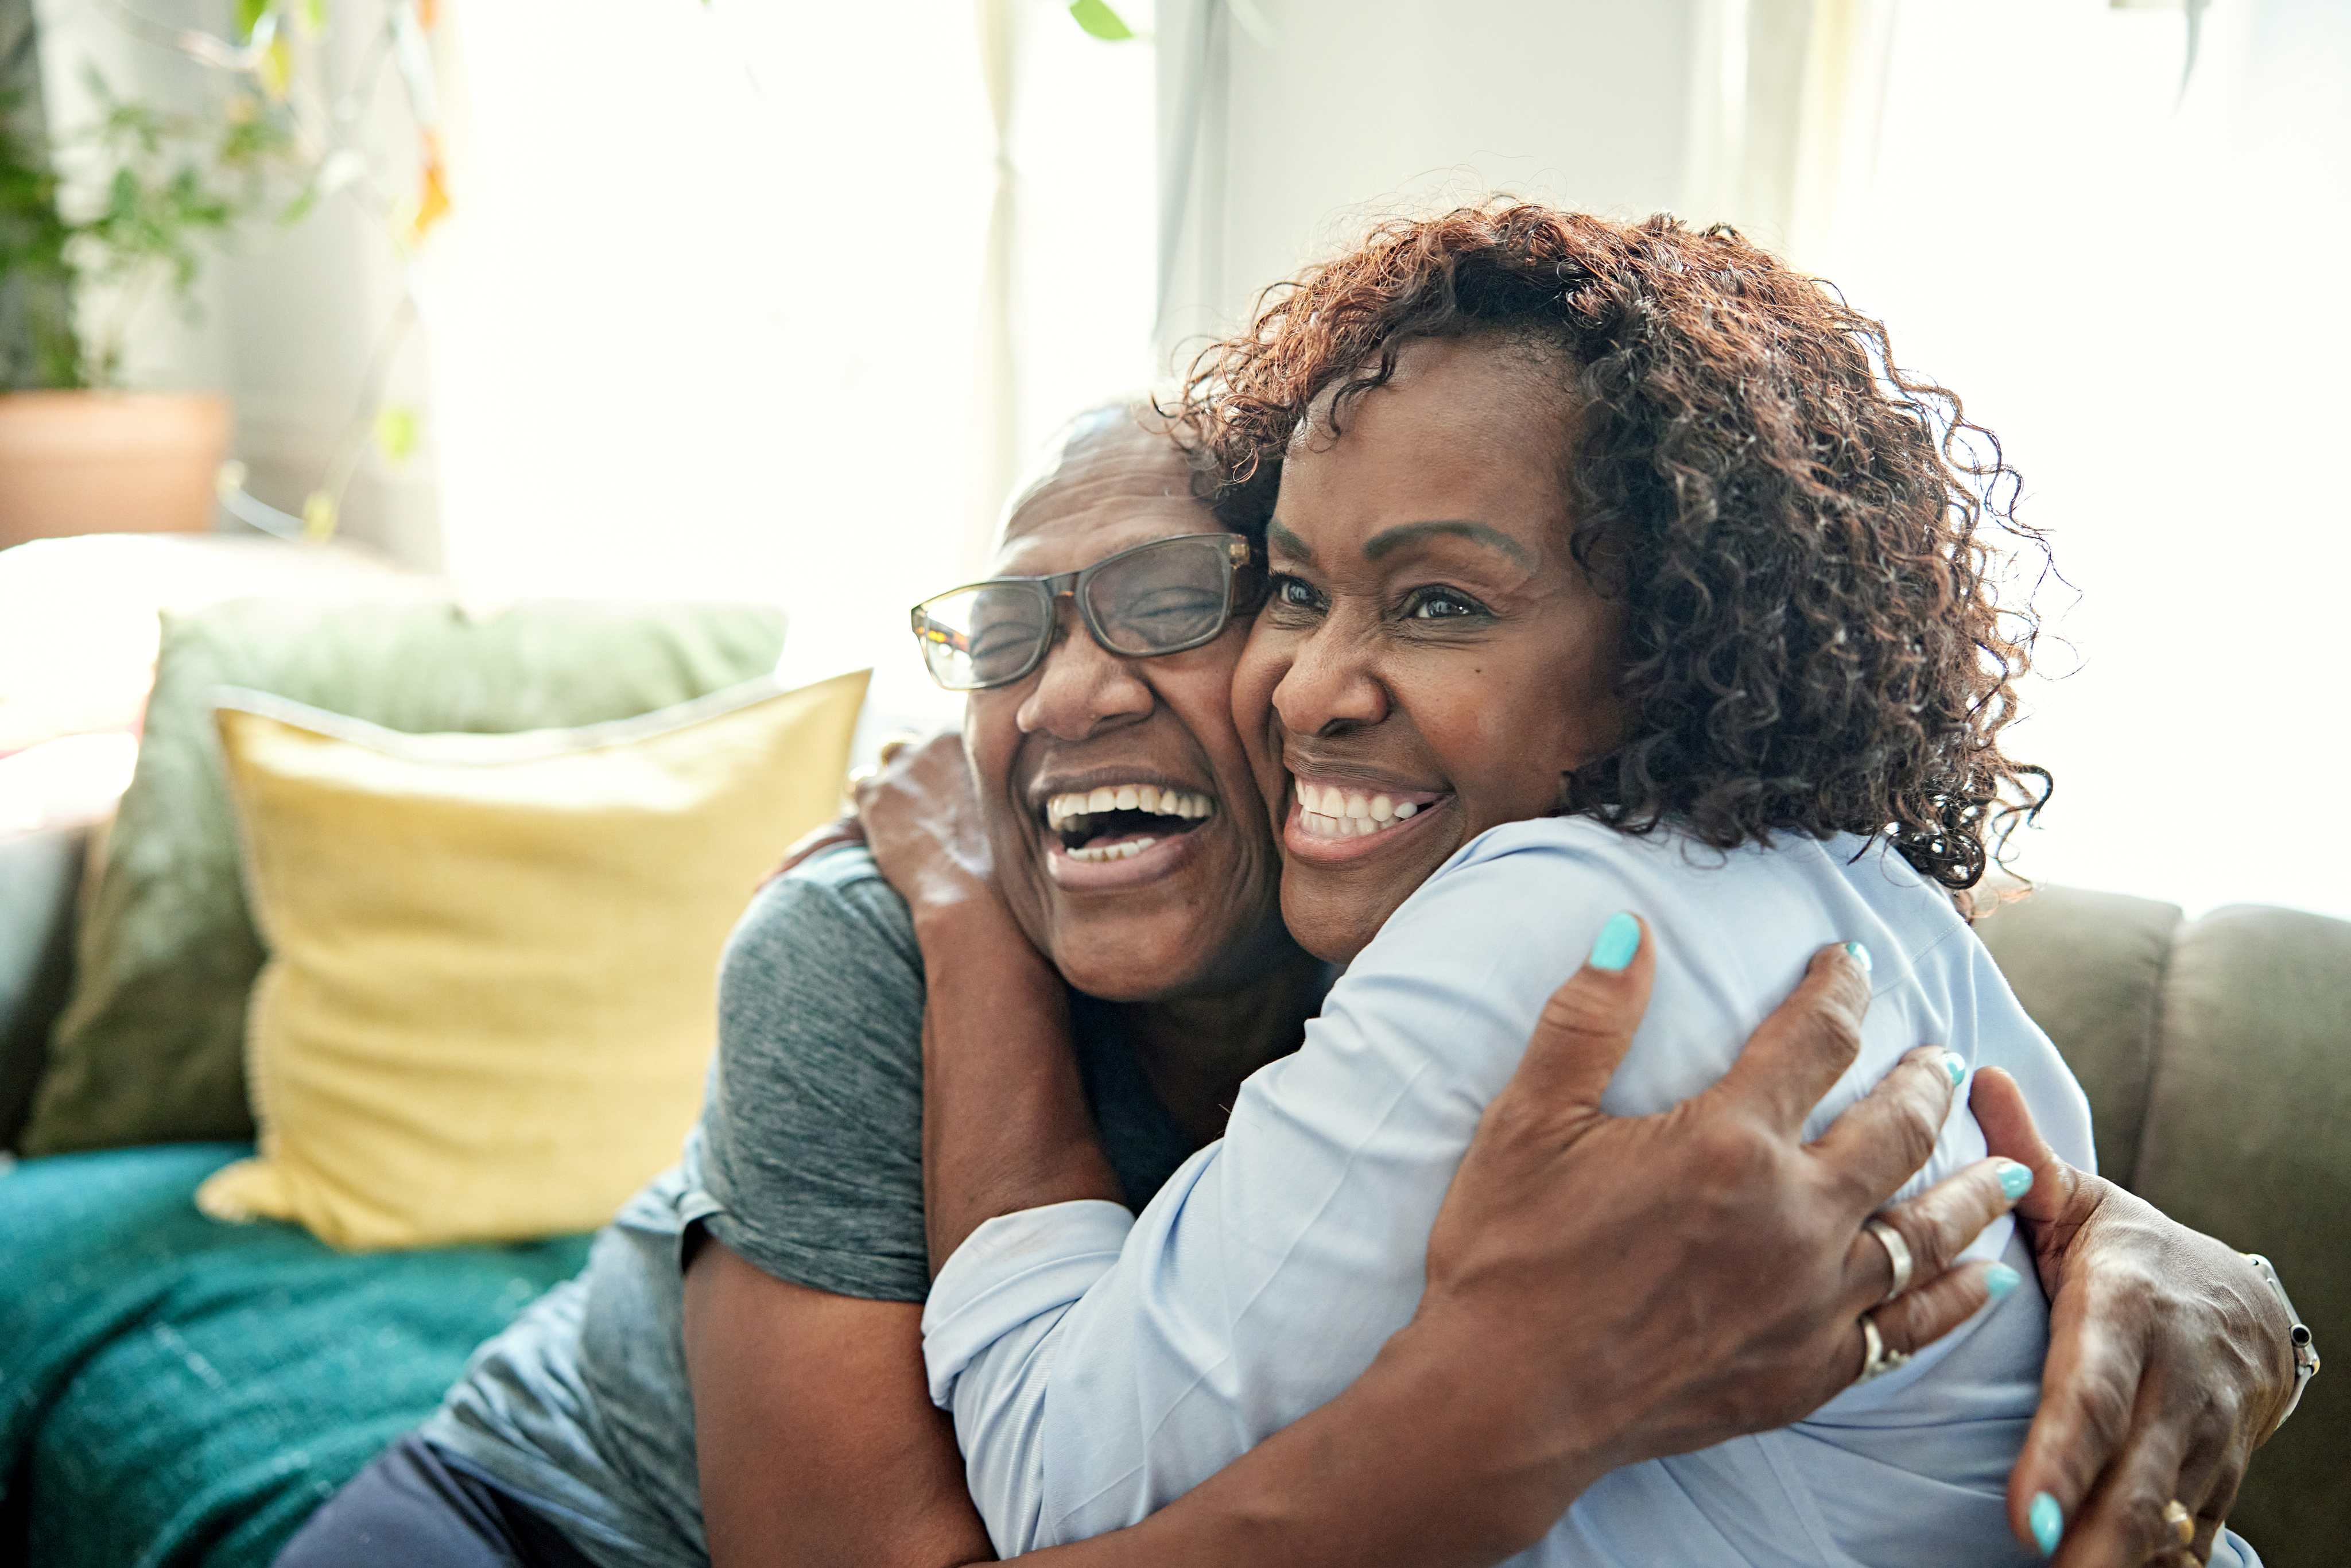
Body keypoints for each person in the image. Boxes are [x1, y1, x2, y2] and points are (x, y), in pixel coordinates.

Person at [274, 401, 2294, 1568]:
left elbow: (1927, 1078)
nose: (1063, 693)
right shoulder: (858, 946)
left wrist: (2121, 1231)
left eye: (1171, 600)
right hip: (532, 1526)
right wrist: (1506, 1409)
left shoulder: (1498, 939)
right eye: (1004, 634)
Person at [865, 214, 2305, 1568]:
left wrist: (957, 910)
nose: (1307, 683)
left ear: (1671, 643)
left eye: (1441, 604)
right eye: (1295, 590)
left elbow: (1057, 1472)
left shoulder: (1542, 932)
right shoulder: (1862, 889)